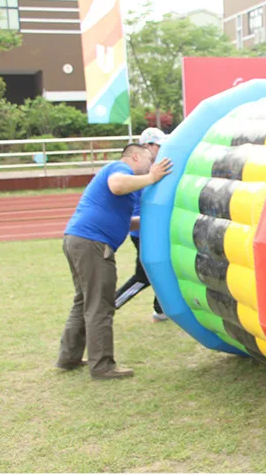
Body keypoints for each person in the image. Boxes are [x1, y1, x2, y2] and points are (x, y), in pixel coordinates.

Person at [56, 143, 173, 380]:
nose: (151, 165)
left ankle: (69, 357)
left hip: (78, 239)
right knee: (100, 304)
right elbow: (117, 185)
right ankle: (102, 366)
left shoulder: (127, 183)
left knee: (83, 301)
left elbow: (125, 221)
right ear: (135, 156)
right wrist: (151, 178)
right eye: (149, 160)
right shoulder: (120, 169)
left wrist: (154, 219)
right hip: (92, 243)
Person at [114, 127, 169, 322]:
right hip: (142, 231)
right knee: (143, 275)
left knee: (164, 266)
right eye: (158, 145)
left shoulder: (151, 167)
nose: (160, 149)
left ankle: (161, 309)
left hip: (149, 228)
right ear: (147, 145)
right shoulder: (139, 170)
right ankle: (111, 305)